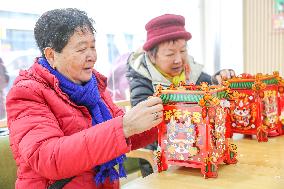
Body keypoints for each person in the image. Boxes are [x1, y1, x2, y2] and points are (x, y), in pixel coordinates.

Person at [5, 8, 163, 189]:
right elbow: (49, 158)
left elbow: (126, 135)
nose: (92, 57)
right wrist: (124, 125)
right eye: (82, 49)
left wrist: (160, 118)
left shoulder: (93, 86)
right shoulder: (26, 93)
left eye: (93, 47)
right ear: (51, 55)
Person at [126, 14, 235, 177]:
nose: (178, 60)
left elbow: (209, 87)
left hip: (198, 155)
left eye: (183, 51)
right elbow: (146, 122)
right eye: (170, 54)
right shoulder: (142, 80)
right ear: (151, 56)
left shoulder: (191, 72)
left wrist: (219, 79)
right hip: (161, 162)